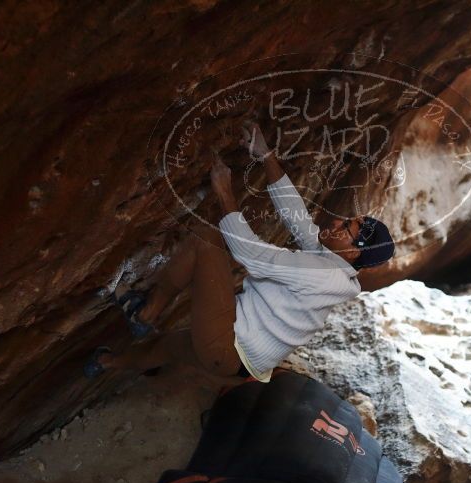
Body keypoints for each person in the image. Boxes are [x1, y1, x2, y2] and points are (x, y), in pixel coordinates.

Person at [85, 121, 395, 382]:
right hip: (236, 359)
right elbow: (296, 217)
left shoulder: (324, 273)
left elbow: (253, 257)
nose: (338, 222)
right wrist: (266, 155)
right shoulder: (335, 267)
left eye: (347, 229)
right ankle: (106, 364)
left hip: (229, 346)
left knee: (205, 239)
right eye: (348, 219)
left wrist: (224, 193)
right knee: (163, 347)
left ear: (354, 253)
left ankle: (147, 311)